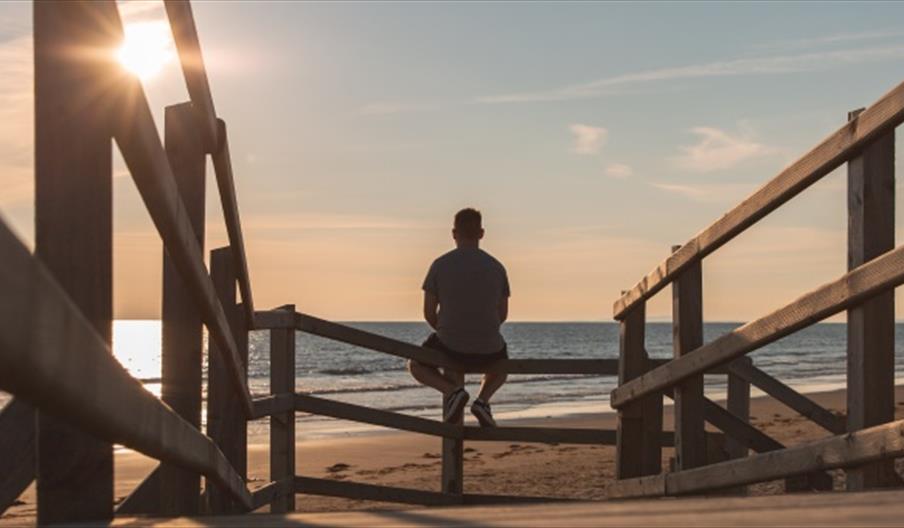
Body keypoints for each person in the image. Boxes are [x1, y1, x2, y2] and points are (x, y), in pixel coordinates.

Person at [407, 208, 510, 427]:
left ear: (454, 233)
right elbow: (502, 314)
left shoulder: (439, 265)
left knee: (415, 364)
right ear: (481, 233)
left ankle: (453, 392)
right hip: (489, 347)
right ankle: (482, 400)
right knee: (503, 366)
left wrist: (446, 329)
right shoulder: (497, 267)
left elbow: (428, 312)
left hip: (450, 344)